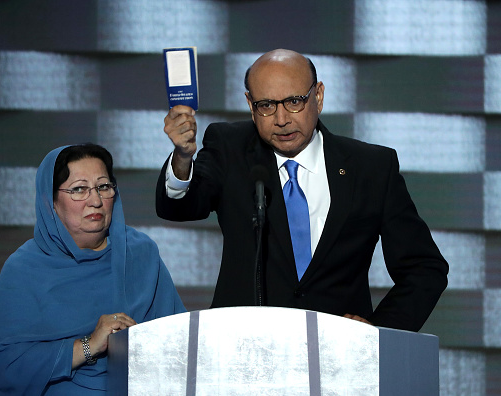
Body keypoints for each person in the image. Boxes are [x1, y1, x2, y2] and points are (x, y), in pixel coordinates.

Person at [156, 48, 448, 332]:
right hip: (243, 354)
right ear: (250, 104)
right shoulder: (230, 147)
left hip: (339, 358)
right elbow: (180, 207)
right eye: (267, 105)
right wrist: (183, 158)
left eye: (294, 101)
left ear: (318, 96)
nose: (282, 119)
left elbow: (424, 269)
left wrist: (376, 332)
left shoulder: (370, 167)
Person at [0, 143, 185, 395]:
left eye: (103, 186)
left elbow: (180, 343)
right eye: (79, 189)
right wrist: (89, 345)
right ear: (51, 202)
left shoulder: (141, 253)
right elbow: (7, 368)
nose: (95, 200)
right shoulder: (24, 268)